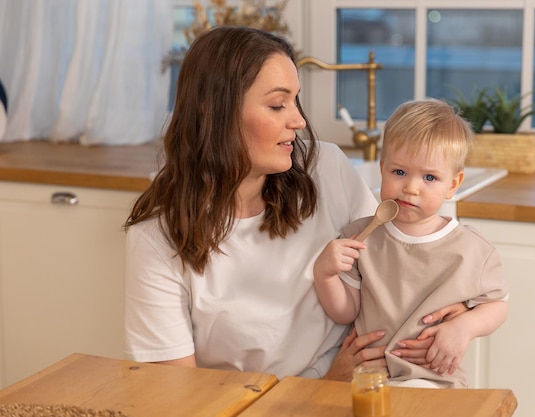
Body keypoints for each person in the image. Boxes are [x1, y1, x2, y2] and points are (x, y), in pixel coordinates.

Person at [124, 26, 469, 381]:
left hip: (368, 387)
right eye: (277, 104)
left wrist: (456, 311)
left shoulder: (326, 169)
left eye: (295, 100)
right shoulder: (157, 239)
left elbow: (397, 258)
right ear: (214, 110)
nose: (299, 120)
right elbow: (176, 396)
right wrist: (325, 387)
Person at [313, 98, 509, 388]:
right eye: (399, 172)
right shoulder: (359, 235)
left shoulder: (472, 250)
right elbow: (347, 312)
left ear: (452, 185)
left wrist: (464, 327)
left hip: (433, 378)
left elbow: (497, 305)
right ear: (382, 168)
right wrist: (325, 274)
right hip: (370, 377)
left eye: (430, 177)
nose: (411, 187)